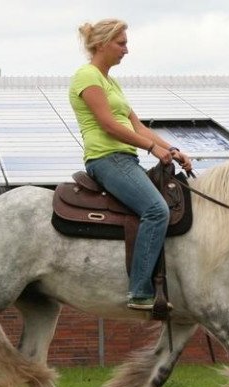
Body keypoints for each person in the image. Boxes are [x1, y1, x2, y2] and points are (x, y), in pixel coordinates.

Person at [70, 18, 192, 311]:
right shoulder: (87, 77)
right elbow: (109, 125)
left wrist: (172, 150)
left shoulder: (112, 82)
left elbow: (137, 126)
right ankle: (139, 291)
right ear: (101, 44)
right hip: (107, 159)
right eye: (121, 43)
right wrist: (152, 148)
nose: (127, 49)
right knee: (156, 209)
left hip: (126, 158)